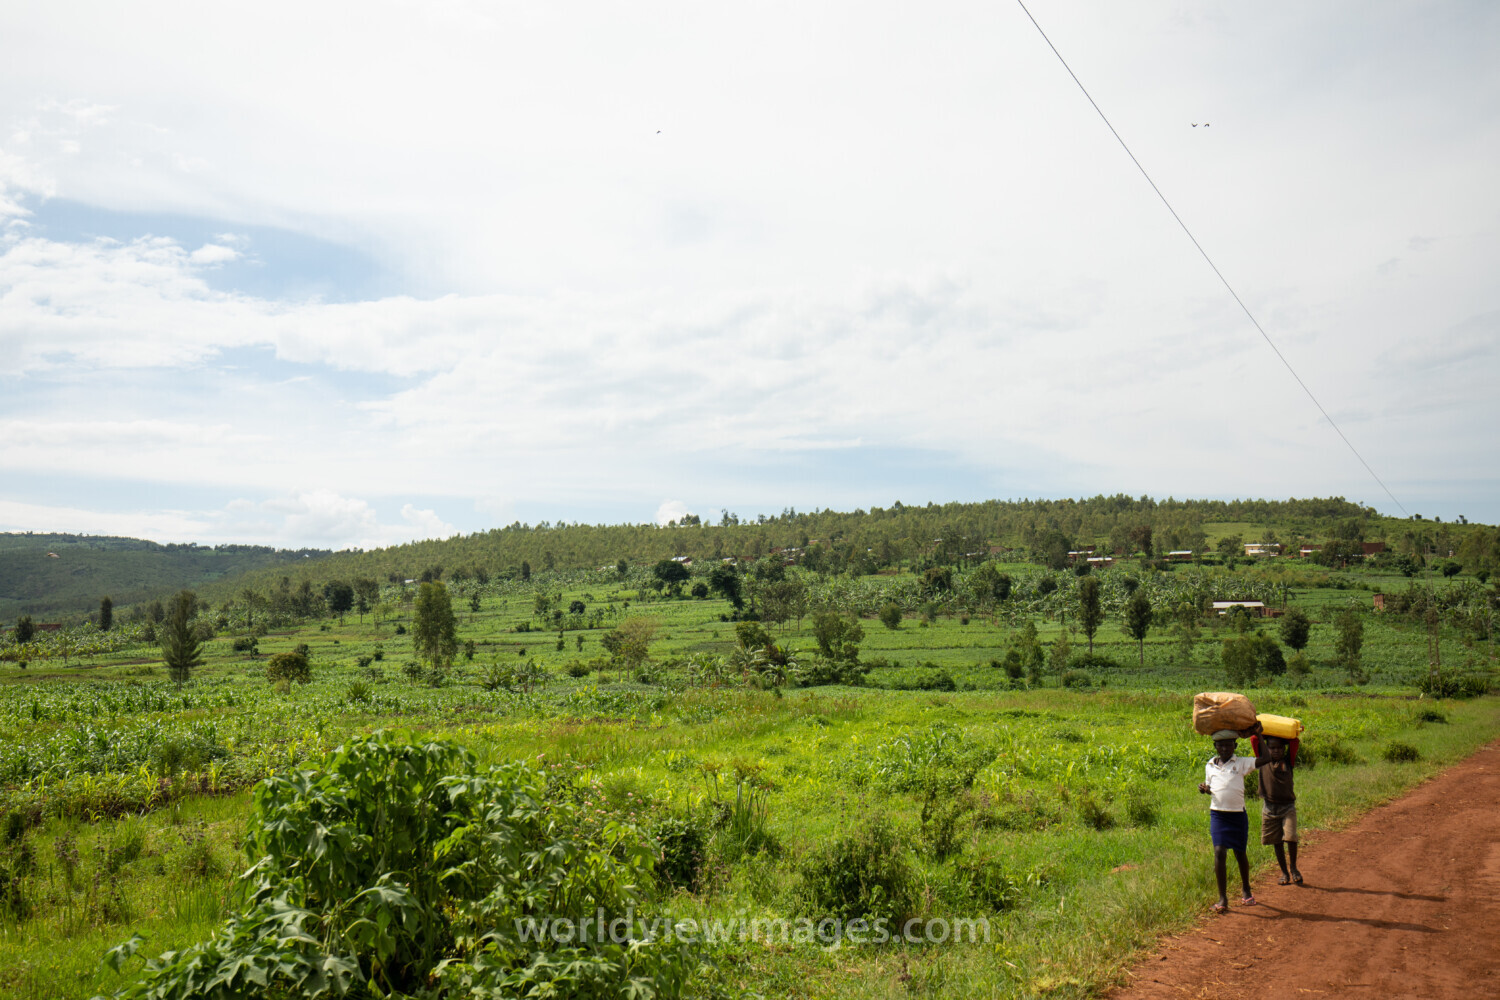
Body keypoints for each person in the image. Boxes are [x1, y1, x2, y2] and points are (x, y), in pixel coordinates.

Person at [1198, 727, 1271, 913]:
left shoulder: (1241, 763)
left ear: (1235, 746)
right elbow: (1210, 787)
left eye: (1228, 745)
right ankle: (1223, 898)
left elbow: (1266, 759)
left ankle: (1246, 889)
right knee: (1219, 852)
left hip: (1237, 814)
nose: (1224, 748)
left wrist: (1259, 735)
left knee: (1240, 853)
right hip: (1218, 815)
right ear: (1215, 746)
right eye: (1220, 745)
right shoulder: (1210, 765)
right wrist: (1204, 789)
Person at [1252, 733, 1302, 885]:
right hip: (1269, 808)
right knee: (1276, 841)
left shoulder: (1288, 761)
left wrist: (1293, 731)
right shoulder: (1262, 760)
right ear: (1266, 748)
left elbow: (1294, 741)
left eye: (1280, 748)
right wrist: (1262, 733)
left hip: (1287, 807)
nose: (1276, 751)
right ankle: (1284, 872)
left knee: (1291, 838)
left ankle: (1293, 868)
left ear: (1284, 749)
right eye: (1272, 747)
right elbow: (1254, 739)